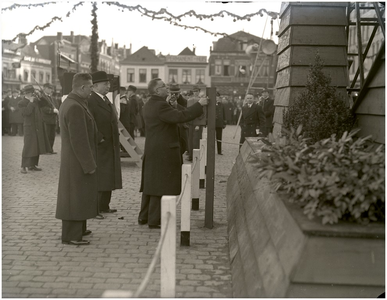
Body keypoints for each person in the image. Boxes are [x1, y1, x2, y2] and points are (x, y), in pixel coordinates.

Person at [139, 78, 208, 228]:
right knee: (161, 184)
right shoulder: (160, 106)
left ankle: (144, 216)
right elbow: (180, 117)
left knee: (151, 184)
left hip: (153, 148)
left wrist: (171, 105)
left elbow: (167, 116)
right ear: (157, 91)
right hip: (164, 149)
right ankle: (155, 220)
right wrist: (199, 105)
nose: (167, 88)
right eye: (164, 86)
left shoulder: (150, 104)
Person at [56, 73, 98, 246]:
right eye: (90, 87)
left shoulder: (74, 103)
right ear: (82, 87)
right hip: (77, 161)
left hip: (74, 160)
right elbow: (79, 140)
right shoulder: (75, 107)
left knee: (79, 196)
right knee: (74, 197)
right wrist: (89, 164)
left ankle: (79, 228)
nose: (92, 90)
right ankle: (72, 236)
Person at [88, 71, 122, 216]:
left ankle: (104, 205)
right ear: (95, 86)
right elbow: (90, 123)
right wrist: (99, 138)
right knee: (101, 178)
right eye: (105, 84)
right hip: (100, 146)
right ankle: (95, 208)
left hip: (110, 144)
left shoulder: (105, 100)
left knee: (108, 176)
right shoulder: (91, 101)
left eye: (108, 83)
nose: (108, 86)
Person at [18, 85, 52, 173]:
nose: (32, 94)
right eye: (31, 93)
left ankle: (32, 165)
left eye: (33, 93)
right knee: (28, 146)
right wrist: (31, 102)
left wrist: (41, 96)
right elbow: (26, 112)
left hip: (38, 127)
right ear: (27, 93)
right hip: (29, 127)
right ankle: (23, 166)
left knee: (36, 146)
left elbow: (46, 103)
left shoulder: (36, 100)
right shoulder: (21, 102)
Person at [168, 83, 189, 157]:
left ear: (180, 93)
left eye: (176, 94)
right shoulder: (166, 101)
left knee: (180, 152)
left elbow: (186, 113)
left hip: (180, 131)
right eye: (172, 94)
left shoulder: (184, 101)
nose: (174, 96)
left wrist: (176, 105)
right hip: (170, 131)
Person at [187, 85, 206, 161]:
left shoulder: (201, 100)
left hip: (197, 123)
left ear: (199, 92)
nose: (195, 93)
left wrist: (198, 124)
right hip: (191, 123)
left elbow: (203, 113)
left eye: (197, 91)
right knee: (190, 140)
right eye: (194, 91)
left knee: (196, 140)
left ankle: (196, 156)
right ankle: (191, 155)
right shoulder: (190, 100)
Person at [40, 83, 59, 153]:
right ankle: (46, 149)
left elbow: (56, 105)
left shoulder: (52, 98)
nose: (50, 90)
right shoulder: (42, 98)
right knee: (47, 135)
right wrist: (52, 110)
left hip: (53, 119)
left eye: (51, 88)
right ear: (44, 88)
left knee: (52, 136)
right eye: (49, 88)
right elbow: (43, 108)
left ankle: (50, 149)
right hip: (46, 119)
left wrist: (56, 109)